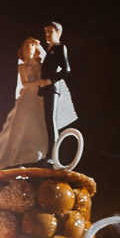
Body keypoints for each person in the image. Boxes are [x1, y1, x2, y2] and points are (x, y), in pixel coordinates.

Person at [0, 36, 48, 169]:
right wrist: (38, 83)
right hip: (28, 96)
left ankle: (36, 154)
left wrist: (43, 83)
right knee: (22, 123)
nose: (29, 47)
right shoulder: (22, 66)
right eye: (27, 45)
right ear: (23, 50)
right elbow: (24, 83)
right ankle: (16, 157)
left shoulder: (41, 66)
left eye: (32, 45)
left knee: (38, 124)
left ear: (36, 49)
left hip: (38, 97)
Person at [37, 20, 76, 163]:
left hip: (52, 88)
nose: (47, 35)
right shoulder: (50, 50)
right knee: (47, 120)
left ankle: (52, 155)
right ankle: (49, 153)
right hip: (46, 89)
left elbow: (66, 69)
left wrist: (49, 81)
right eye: (46, 32)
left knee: (50, 120)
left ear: (58, 33)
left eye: (50, 32)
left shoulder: (60, 48)